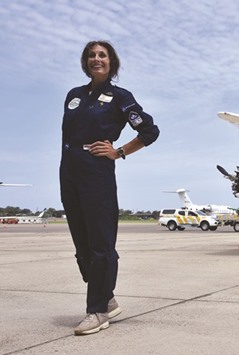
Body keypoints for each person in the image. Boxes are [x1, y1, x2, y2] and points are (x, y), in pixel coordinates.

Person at [60, 40, 160, 335]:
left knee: (101, 244)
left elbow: (149, 130)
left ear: (111, 62)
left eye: (102, 55)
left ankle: (98, 311)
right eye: (91, 55)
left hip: (96, 170)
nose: (96, 59)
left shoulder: (120, 96)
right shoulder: (73, 96)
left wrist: (120, 151)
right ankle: (108, 298)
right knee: (82, 245)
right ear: (85, 61)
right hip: (69, 168)